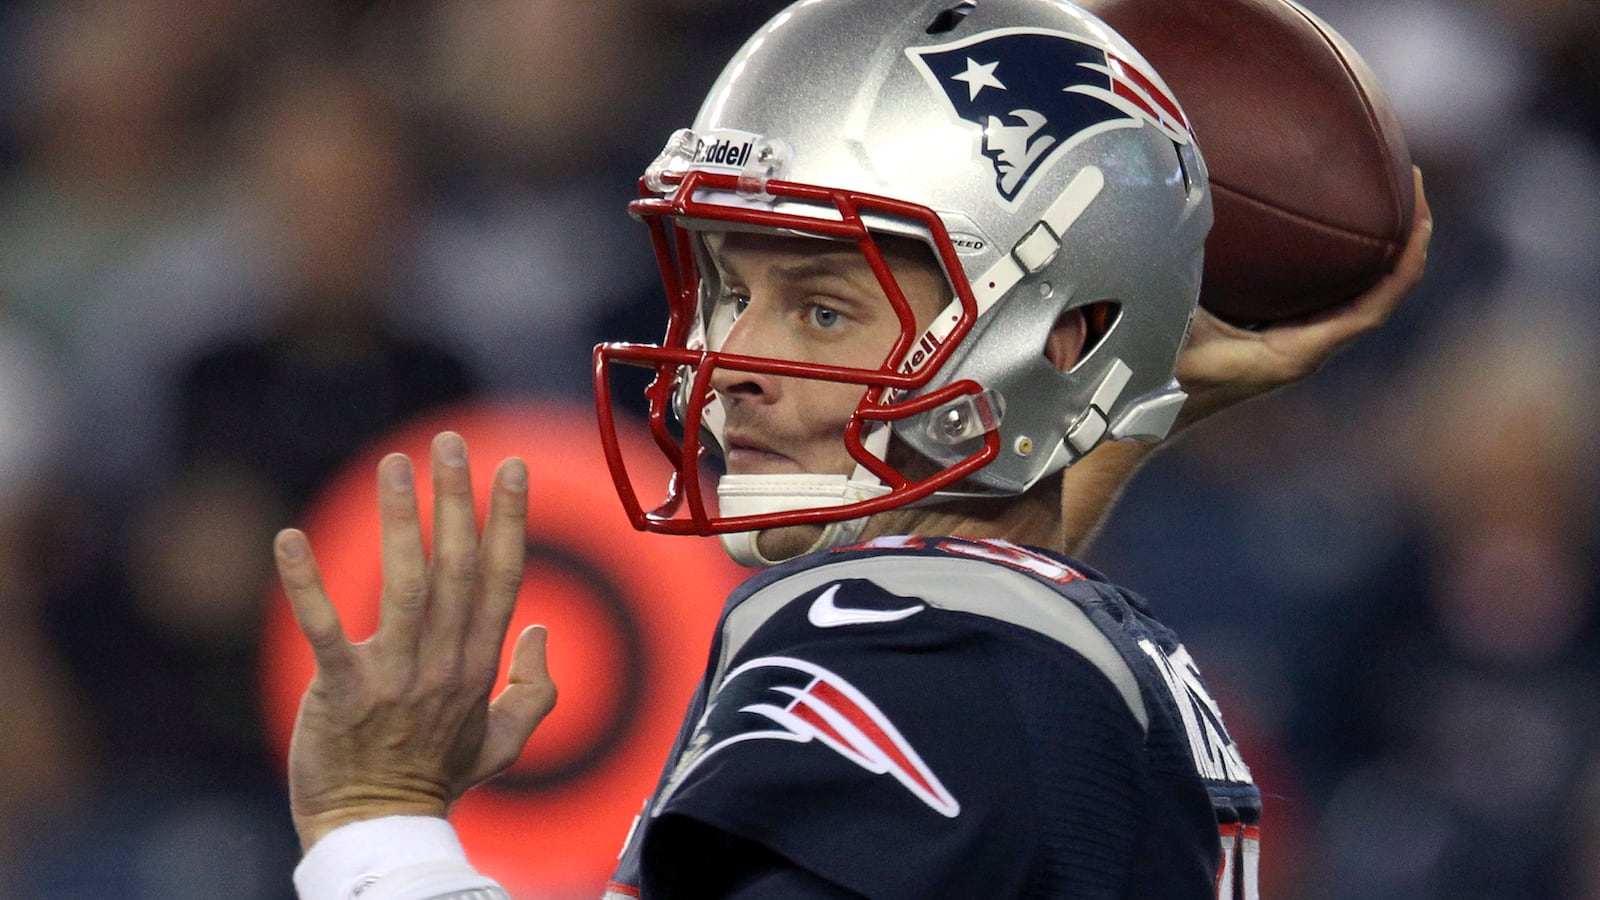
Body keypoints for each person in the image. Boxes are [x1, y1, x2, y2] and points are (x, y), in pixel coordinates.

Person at [274, 1, 1432, 897]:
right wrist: (1110, 403)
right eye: (728, 291)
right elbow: (990, 601)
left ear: (1050, 335)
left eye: (822, 309)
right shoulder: (1040, 645)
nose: (731, 362)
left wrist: (374, 821)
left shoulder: (903, 651)